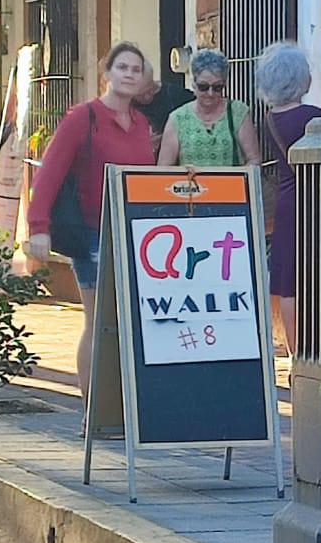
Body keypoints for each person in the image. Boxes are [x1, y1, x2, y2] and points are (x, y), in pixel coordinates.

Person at [24, 42, 154, 409]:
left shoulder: (142, 124)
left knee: (133, 324)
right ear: (107, 73)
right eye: (123, 67)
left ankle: (127, 409)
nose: (129, 74)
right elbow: (49, 173)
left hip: (136, 237)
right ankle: (94, 410)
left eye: (136, 69)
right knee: (98, 322)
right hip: (94, 233)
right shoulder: (84, 117)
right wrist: (38, 226)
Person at [257, 41, 321, 353]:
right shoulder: (310, 116)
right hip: (308, 202)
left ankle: (296, 349)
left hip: (287, 200)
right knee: (310, 276)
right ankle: (311, 346)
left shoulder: (272, 117)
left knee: (288, 283)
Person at [158, 49, 259, 167]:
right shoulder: (178, 118)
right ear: (194, 84)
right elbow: (164, 167)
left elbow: (254, 159)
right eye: (203, 87)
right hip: (190, 185)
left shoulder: (238, 112)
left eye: (217, 87)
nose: (210, 93)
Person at [134, 60, 196, 158]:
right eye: (140, 95)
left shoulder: (175, 95)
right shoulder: (126, 105)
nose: (147, 97)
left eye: (150, 89)